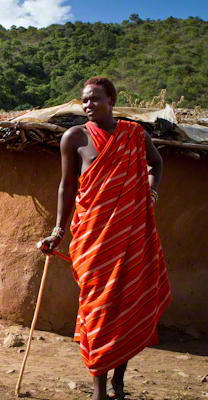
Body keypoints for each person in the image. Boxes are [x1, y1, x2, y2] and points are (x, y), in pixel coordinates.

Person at [39, 77, 171, 400]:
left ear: (111, 100)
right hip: (93, 242)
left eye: (95, 99)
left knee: (127, 306)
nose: (87, 105)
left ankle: (118, 384)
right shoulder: (74, 138)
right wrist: (57, 232)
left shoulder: (135, 135)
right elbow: (67, 187)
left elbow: (157, 164)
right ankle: (98, 388)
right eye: (84, 100)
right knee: (97, 308)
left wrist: (149, 194)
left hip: (131, 235)